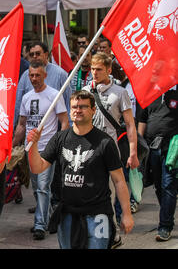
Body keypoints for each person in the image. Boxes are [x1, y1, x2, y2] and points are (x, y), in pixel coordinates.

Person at [26, 90, 134, 249]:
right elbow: (37, 168)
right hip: (68, 213)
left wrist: (126, 214)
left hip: (98, 214)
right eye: (75, 107)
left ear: (93, 110)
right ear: (70, 110)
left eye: (83, 107)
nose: (78, 110)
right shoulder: (59, 139)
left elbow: (119, 180)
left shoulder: (105, 142)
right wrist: (33, 145)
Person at [83, 52, 139, 248]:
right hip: (87, 152)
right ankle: (93, 231)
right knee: (88, 193)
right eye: (92, 69)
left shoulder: (120, 92)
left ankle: (111, 233)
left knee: (109, 195)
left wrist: (133, 152)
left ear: (108, 70)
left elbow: (130, 124)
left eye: (99, 69)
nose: (94, 73)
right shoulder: (85, 92)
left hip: (110, 152)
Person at [12, 60, 69, 240]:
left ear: (45, 75)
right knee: (37, 188)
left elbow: (64, 121)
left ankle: (39, 225)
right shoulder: (27, 97)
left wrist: (59, 144)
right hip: (31, 150)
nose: (34, 78)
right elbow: (22, 125)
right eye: (31, 75)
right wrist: (13, 145)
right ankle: (47, 215)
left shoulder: (54, 95)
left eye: (37, 75)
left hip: (48, 149)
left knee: (44, 187)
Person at [138, 86, 178, 242]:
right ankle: (167, 214)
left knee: (168, 184)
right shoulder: (149, 93)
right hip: (152, 147)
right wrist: (139, 145)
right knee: (159, 185)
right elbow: (142, 120)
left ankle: (165, 226)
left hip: (172, 147)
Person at [14, 41, 71, 128]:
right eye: (32, 54)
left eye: (37, 53)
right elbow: (18, 103)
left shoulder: (60, 74)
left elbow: (68, 102)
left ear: (46, 54)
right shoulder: (25, 76)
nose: (34, 56)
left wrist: (69, 130)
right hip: (31, 132)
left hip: (55, 131)